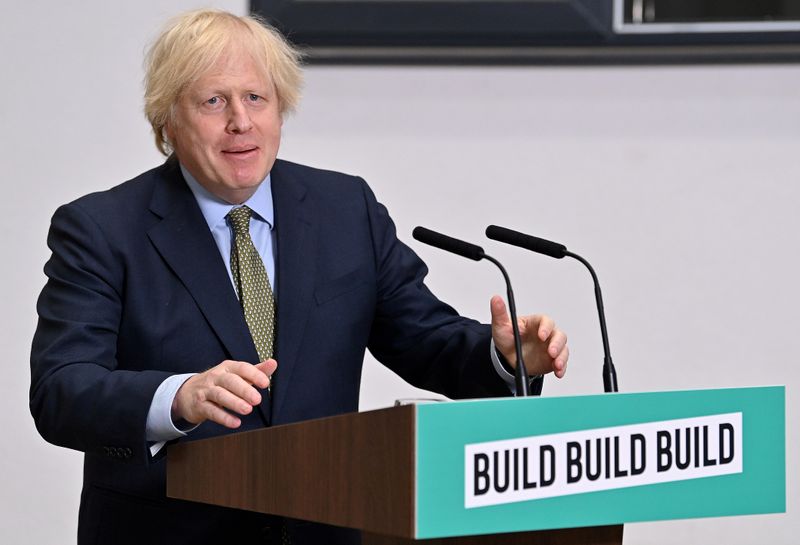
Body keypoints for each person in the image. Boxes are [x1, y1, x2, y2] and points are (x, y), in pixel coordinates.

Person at [30, 9, 569, 545]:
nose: (240, 121)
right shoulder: (101, 229)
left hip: (322, 528)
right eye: (213, 101)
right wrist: (178, 397)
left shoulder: (344, 210)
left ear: (280, 110)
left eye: (256, 98)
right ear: (168, 120)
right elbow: (62, 390)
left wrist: (505, 357)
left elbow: (425, 339)